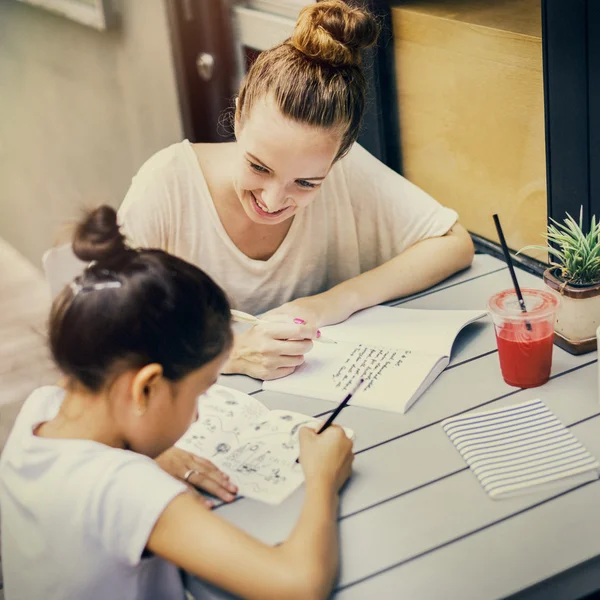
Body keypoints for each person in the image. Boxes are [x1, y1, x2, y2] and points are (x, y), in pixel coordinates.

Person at [0, 206, 354, 600]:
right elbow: (298, 586)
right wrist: (324, 477)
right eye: (200, 392)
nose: (199, 413)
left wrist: (148, 453)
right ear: (146, 388)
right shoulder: (125, 488)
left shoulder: (41, 406)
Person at [118, 0, 474, 383]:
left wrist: (331, 303)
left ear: (339, 157)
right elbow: (103, 333)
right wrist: (231, 353)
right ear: (238, 115)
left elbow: (453, 242)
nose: (272, 201)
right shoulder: (167, 186)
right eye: (258, 167)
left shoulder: (345, 171)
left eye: (306, 183)